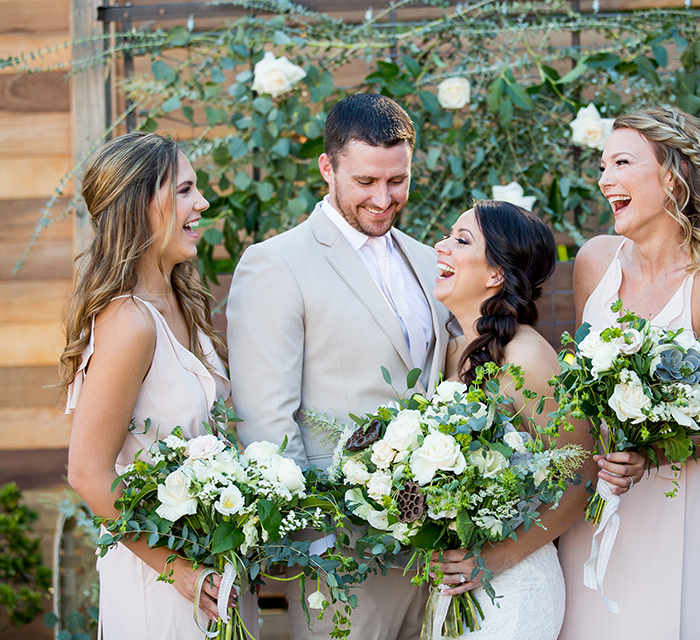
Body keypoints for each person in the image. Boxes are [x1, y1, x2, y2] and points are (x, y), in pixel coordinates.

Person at [226, 93, 452, 640]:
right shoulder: (275, 264)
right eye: (365, 182)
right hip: (339, 560)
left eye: (396, 181)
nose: (383, 198)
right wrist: (314, 546)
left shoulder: (430, 261)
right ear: (327, 167)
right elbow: (265, 422)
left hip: (432, 555)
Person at [558, 107, 700, 639]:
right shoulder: (595, 261)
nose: (603, 178)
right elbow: (580, 389)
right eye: (601, 165)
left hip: (671, 501)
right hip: (593, 498)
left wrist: (650, 454)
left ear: (673, 177)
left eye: (620, 162)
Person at [60, 132, 259, 639]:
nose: (203, 203)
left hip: (213, 571)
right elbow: (87, 472)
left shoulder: (184, 301)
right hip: (160, 581)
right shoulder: (129, 323)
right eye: (186, 190)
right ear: (142, 206)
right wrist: (178, 570)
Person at [432, 200, 597, 638]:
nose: (440, 245)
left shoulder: (527, 356)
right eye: (448, 235)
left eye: (460, 240)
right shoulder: (449, 349)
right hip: (454, 585)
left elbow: (583, 476)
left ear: (496, 274)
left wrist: (496, 559)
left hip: (514, 587)